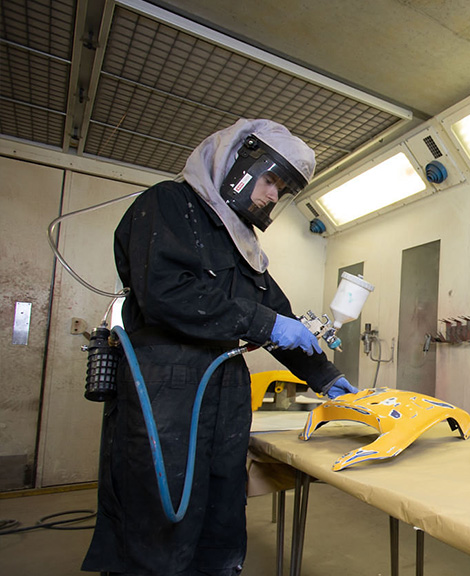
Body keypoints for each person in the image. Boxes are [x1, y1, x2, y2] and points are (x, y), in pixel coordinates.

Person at [82, 119, 357, 575]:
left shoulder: (243, 243)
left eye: (281, 188)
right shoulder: (168, 205)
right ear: (238, 161)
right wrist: (262, 322)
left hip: (224, 389)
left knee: (221, 518)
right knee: (160, 517)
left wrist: (326, 378)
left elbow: (280, 320)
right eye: (270, 179)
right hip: (165, 388)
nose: (273, 196)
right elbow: (164, 293)